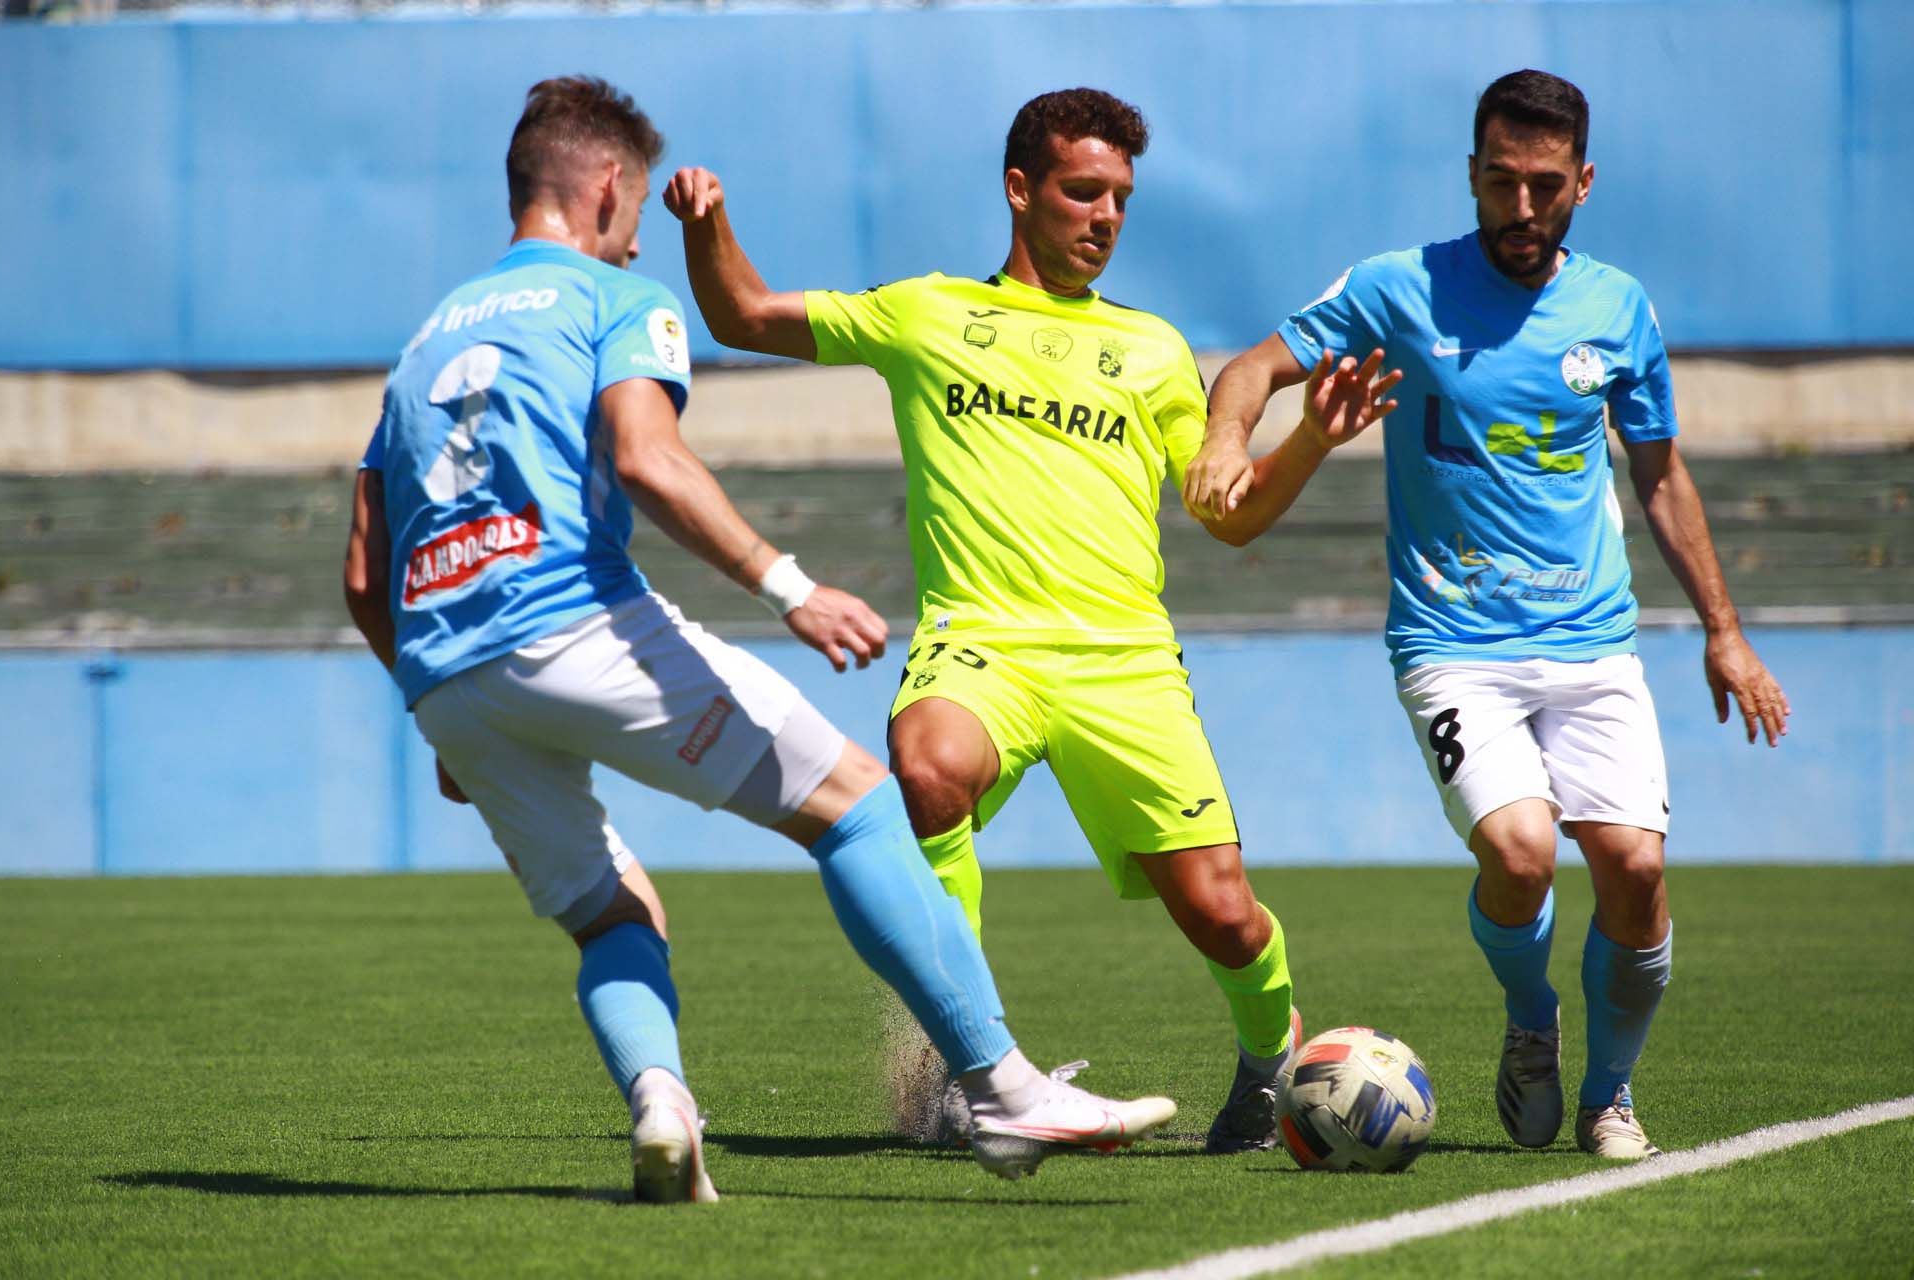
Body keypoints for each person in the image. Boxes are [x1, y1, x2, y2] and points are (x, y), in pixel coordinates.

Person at [341, 76, 1177, 1202]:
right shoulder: (608, 298)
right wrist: (790, 585)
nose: (636, 240)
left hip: (449, 667)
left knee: (611, 913)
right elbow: (647, 456)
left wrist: (446, 702)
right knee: (861, 806)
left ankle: (663, 1105)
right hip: (573, 620)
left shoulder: (424, 343)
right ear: (604, 190)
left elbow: (362, 569)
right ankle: (1005, 1089)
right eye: (633, 214)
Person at [665, 88, 1397, 1153]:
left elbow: (1223, 517)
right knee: (925, 766)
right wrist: (706, 229)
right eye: (1082, 191)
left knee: (1223, 911)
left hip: (1124, 662)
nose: (1104, 215)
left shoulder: (1150, 350)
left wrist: (1309, 444)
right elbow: (741, 314)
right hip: (983, 641)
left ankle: (1266, 1048)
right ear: (1022, 190)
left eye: (1120, 199)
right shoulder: (928, 312)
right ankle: (972, 1064)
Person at [1183, 69, 1791, 1158]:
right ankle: (1530, 1022)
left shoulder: (1619, 307)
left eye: (1545, 185)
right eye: (1501, 182)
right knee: (1518, 854)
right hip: (1451, 640)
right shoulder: (1397, 289)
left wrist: (1723, 627)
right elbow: (1252, 368)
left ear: (1583, 184)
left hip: (1593, 640)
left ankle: (1609, 1092)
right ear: (1472, 174)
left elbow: (1659, 473)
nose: (1521, 208)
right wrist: (1226, 440)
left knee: (1636, 868)